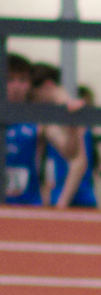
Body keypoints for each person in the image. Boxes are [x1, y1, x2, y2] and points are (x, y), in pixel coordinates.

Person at [32, 64, 97, 210]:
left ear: (47, 85)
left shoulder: (68, 112)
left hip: (75, 198)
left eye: (35, 95)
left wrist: (62, 202)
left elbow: (79, 162)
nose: (35, 101)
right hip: (67, 195)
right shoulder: (57, 113)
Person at [4, 53, 42, 206]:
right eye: (10, 80)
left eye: (23, 80)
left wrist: (64, 100)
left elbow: (71, 152)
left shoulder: (39, 121)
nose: (16, 87)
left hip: (28, 208)